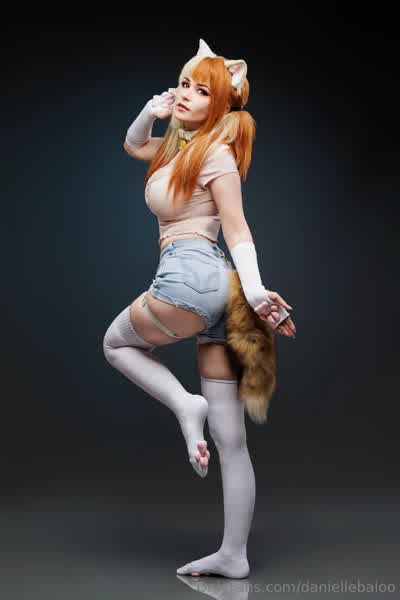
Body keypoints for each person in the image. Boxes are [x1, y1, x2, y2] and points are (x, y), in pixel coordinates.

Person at [103, 38, 296, 578]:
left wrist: (257, 292)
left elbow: (238, 229)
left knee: (116, 345)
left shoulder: (216, 154)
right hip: (220, 296)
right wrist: (151, 111)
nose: (186, 93)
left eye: (201, 90)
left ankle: (186, 407)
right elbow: (133, 144)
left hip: (192, 278)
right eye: (184, 83)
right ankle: (233, 556)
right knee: (231, 439)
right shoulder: (178, 147)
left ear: (223, 104)